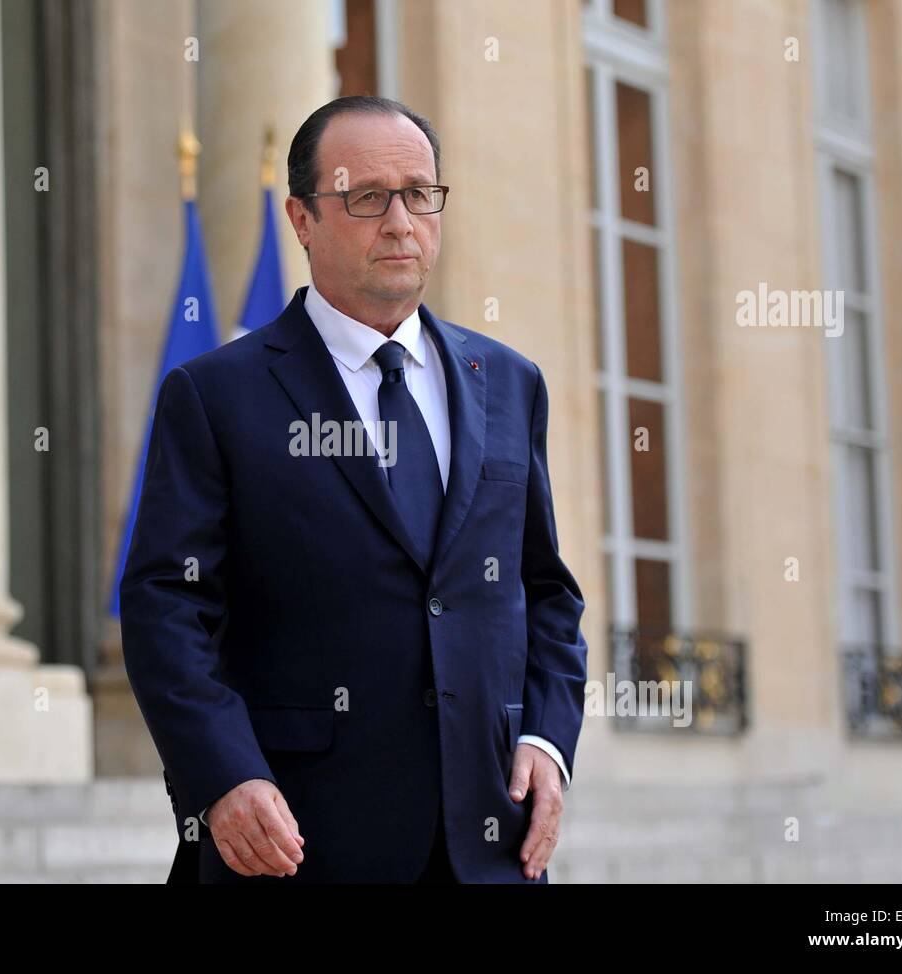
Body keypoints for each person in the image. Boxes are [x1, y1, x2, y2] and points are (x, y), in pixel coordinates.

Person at [119, 95, 588, 883]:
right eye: (367, 198)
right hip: (294, 845)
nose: (401, 221)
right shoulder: (217, 395)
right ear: (302, 220)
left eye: (419, 193)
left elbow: (546, 593)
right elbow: (167, 606)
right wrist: (224, 774)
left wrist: (546, 740)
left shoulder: (509, 382)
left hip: (488, 845)